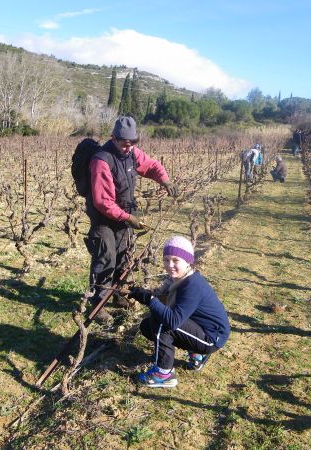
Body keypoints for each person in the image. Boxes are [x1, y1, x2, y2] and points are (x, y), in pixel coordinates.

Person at [85, 116, 178, 317]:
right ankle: (98, 304)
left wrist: (165, 181)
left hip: (124, 213)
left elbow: (151, 165)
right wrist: (129, 218)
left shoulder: (132, 153)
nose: (129, 148)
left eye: (133, 143)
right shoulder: (101, 160)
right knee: (106, 257)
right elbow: (103, 202)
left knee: (124, 256)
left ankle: (119, 294)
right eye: (125, 144)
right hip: (104, 218)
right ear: (114, 138)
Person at [128, 236, 230, 388]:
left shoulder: (192, 285)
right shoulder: (180, 280)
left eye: (176, 260)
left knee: (161, 322)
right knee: (147, 325)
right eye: (166, 259)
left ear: (188, 261)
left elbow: (173, 320)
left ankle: (164, 374)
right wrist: (143, 294)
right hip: (203, 328)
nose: (170, 265)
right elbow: (166, 304)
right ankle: (196, 354)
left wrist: (149, 299)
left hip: (212, 337)